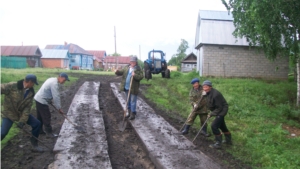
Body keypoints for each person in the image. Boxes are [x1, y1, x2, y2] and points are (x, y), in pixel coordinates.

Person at [1, 74, 43, 152]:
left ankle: (34, 144)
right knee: (2, 133)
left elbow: (27, 109)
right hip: (9, 114)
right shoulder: (13, 86)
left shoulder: (31, 93)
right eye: (33, 83)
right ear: (30, 82)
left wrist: (22, 121)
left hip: (21, 114)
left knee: (37, 124)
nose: (33, 85)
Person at [34, 72, 70, 138]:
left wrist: (49, 99)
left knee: (40, 116)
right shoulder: (54, 84)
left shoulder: (51, 79)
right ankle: (49, 133)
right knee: (46, 116)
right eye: (64, 80)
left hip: (38, 98)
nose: (64, 82)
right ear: (60, 77)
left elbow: (47, 91)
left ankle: (39, 130)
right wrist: (59, 108)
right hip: (42, 100)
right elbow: (56, 96)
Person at [202, 80, 232, 149]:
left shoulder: (215, 95)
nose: (204, 89)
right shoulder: (208, 93)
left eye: (206, 87)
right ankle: (228, 141)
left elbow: (219, 107)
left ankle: (218, 143)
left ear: (210, 87)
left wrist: (211, 114)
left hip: (221, 111)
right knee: (222, 126)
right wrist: (204, 95)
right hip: (218, 110)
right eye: (203, 87)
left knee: (214, 126)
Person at [115, 56, 144, 120]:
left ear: (136, 62)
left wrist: (135, 75)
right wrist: (117, 71)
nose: (132, 62)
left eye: (134, 61)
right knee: (128, 101)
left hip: (133, 88)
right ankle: (129, 113)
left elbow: (141, 77)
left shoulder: (138, 69)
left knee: (133, 101)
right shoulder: (126, 67)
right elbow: (121, 72)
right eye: (131, 61)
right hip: (126, 87)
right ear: (130, 62)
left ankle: (133, 114)